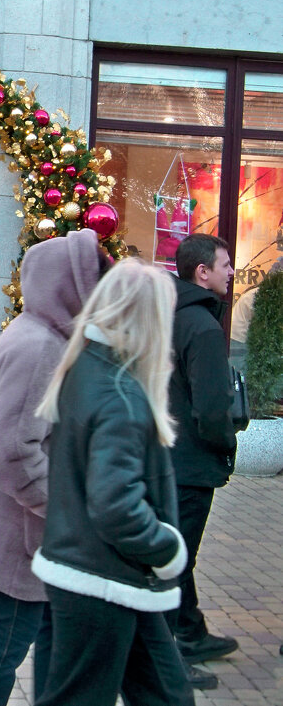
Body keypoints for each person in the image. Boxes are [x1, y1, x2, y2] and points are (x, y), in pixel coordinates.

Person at [31, 259, 194, 706]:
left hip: (103, 572)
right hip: (103, 575)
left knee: (166, 694)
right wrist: (166, 548)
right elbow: (116, 504)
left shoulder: (87, 369)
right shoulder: (120, 392)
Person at [0, 228, 105, 706]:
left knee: (17, 644)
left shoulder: (38, 332)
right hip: (22, 536)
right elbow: (12, 451)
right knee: (1, 651)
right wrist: (62, 508)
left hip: (21, 530)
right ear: (70, 284)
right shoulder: (41, 344)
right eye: (94, 282)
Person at [167, 234, 239, 677]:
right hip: (191, 462)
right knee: (176, 559)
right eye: (226, 264)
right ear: (202, 273)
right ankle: (168, 655)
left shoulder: (166, 315)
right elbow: (213, 407)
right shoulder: (204, 327)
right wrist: (226, 444)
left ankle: (191, 632)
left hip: (164, 454)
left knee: (176, 551)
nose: (232, 272)